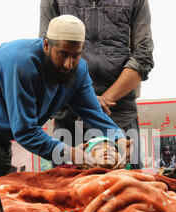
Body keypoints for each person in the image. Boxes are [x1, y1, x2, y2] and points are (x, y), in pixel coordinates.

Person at [0, 15, 129, 177]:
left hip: (2, 136)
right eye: (63, 54)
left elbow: (94, 114)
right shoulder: (22, 63)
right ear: (46, 45)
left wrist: (118, 139)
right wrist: (69, 153)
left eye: (76, 55)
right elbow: (25, 132)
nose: (69, 64)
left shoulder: (78, 71)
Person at [39, 0, 154, 169]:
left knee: (131, 189)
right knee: (66, 190)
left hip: (120, 116)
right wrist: (88, 101)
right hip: (69, 118)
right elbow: (49, 55)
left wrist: (101, 101)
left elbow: (143, 57)